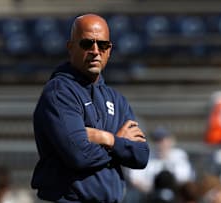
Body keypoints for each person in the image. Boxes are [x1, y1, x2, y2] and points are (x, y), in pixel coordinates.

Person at [31, 13, 149, 203]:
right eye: (87, 44)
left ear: (109, 50)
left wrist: (107, 138)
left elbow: (141, 155)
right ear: (71, 48)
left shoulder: (116, 99)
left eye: (102, 45)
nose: (95, 50)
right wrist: (120, 145)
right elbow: (79, 154)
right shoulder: (60, 92)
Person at [127, 127, 194, 200]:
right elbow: (134, 178)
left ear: (171, 140)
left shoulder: (179, 155)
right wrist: (154, 190)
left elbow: (184, 178)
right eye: (157, 140)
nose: (160, 144)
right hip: (149, 197)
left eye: (163, 140)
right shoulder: (147, 156)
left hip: (175, 196)